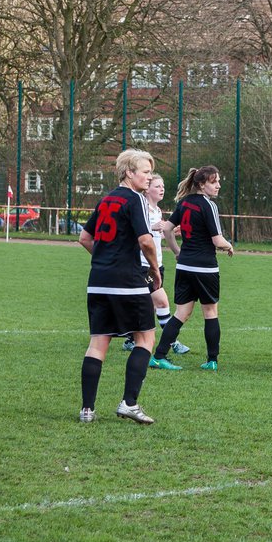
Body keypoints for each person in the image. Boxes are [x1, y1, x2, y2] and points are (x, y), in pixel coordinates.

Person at [78, 149, 162, 424]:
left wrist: (106, 260)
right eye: (145, 171)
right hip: (127, 281)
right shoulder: (135, 199)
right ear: (129, 172)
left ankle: (87, 410)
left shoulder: (105, 200)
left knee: (98, 344)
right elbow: (146, 241)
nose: (149, 177)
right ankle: (129, 403)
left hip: (98, 282)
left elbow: (84, 238)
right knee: (146, 338)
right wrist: (153, 269)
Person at [151, 166, 235, 372]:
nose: (218, 185)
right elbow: (217, 240)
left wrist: (177, 252)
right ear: (201, 184)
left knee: (181, 313)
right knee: (210, 312)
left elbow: (168, 228)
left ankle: (158, 356)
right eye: (214, 182)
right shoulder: (209, 205)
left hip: (185, 266)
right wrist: (229, 245)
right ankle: (212, 360)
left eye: (218, 181)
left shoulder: (185, 202)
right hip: (205, 268)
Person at [122, 173, 188, 356]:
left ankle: (130, 339)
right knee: (162, 301)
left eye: (163, 186)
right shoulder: (140, 207)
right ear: (148, 188)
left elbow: (159, 231)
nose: (162, 189)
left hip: (157, 264)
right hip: (143, 265)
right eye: (158, 186)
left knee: (148, 306)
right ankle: (173, 342)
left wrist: (172, 230)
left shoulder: (157, 211)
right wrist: (152, 228)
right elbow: (132, 232)